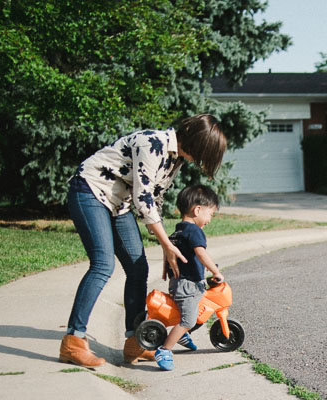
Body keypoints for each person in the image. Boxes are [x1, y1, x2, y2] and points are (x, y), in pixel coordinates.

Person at [58, 115, 226, 368]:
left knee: (138, 269)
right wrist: (166, 246)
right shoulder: (152, 143)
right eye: (203, 153)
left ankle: (134, 342)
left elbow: (156, 200)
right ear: (194, 140)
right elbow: (144, 197)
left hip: (119, 204)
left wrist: (168, 246)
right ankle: (73, 340)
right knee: (103, 265)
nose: (200, 160)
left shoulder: (176, 159)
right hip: (90, 190)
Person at [153, 185, 224, 371]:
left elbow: (171, 254)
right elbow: (201, 253)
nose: (210, 219)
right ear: (197, 210)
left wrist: (165, 270)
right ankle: (164, 349)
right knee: (188, 320)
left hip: (179, 283)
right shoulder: (194, 231)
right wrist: (215, 272)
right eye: (210, 214)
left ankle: (181, 336)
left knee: (192, 311)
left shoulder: (178, 230)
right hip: (188, 285)